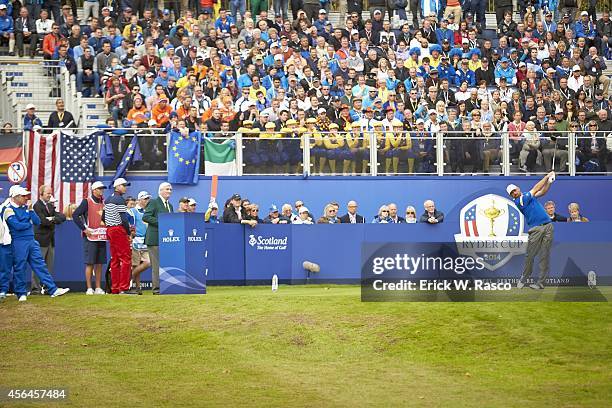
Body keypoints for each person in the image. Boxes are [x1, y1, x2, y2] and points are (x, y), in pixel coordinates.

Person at [1, 185, 69, 301]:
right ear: (15, 197)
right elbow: (17, 226)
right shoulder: (7, 209)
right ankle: (21, 292)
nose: (26, 198)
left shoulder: (26, 208)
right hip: (18, 242)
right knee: (20, 267)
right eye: (23, 196)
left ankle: (52, 289)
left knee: (40, 265)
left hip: (31, 240)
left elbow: (37, 221)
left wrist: (31, 211)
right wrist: (28, 222)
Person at [507, 171, 556, 290]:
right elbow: (535, 188)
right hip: (536, 229)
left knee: (545, 255)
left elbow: (542, 191)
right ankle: (524, 278)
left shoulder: (526, 195)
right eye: (512, 193)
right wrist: (546, 176)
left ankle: (540, 283)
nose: (514, 192)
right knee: (530, 255)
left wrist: (549, 182)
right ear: (511, 195)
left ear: (518, 188)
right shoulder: (520, 201)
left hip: (548, 226)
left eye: (515, 190)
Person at [72, 180, 108, 295]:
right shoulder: (86, 201)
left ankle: (98, 287)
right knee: (90, 262)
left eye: (103, 189)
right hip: (90, 236)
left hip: (101, 236)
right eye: (100, 188)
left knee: (100, 263)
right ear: (94, 190)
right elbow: (75, 215)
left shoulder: (104, 202)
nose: (102, 190)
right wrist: (84, 229)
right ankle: (89, 288)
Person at [31, 185, 66, 295]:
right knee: (38, 265)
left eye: (50, 193)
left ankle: (48, 288)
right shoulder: (37, 206)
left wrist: (52, 219)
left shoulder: (50, 206)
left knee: (49, 266)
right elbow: (43, 222)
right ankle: (35, 289)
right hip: (41, 240)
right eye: (48, 193)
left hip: (51, 240)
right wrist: (52, 220)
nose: (50, 195)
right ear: (41, 193)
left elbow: (62, 216)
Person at [143, 182, 174, 295]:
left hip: (166, 239)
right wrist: (161, 222)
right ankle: (157, 289)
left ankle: (166, 287)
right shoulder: (154, 202)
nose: (169, 191)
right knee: (156, 265)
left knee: (165, 265)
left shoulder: (170, 205)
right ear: (160, 190)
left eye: (170, 189)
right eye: (167, 189)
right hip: (154, 238)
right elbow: (146, 216)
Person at [104, 178, 132, 295]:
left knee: (115, 259)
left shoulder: (108, 199)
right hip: (118, 229)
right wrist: (128, 233)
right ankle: (124, 288)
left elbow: (103, 218)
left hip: (109, 229)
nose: (125, 188)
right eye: (124, 185)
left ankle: (115, 288)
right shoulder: (120, 199)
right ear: (118, 187)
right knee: (126, 258)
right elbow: (124, 219)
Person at [128, 191, 151, 295]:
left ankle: (128, 278)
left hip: (146, 241)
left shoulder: (148, 211)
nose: (147, 200)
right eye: (145, 199)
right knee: (135, 264)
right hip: (136, 242)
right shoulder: (133, 211)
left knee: (147, 262)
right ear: (140, 200)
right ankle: (138, 287)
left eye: (148, 199)